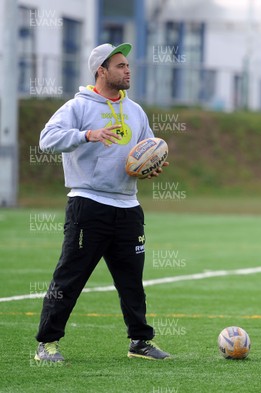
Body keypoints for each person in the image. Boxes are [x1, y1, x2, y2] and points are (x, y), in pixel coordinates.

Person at [34, 43, 170, 362]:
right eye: (120, 66)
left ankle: (139, 342)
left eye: (127, 65)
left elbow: (146, 148)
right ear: (101, 71)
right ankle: (47, 344)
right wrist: (87, 135)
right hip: (88, 205)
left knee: (132, 283)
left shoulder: (135, 111)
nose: (127, 70)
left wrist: (150, 166)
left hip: (128, 208)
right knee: (69, 278)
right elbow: (46, 139)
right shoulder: (78, 107)